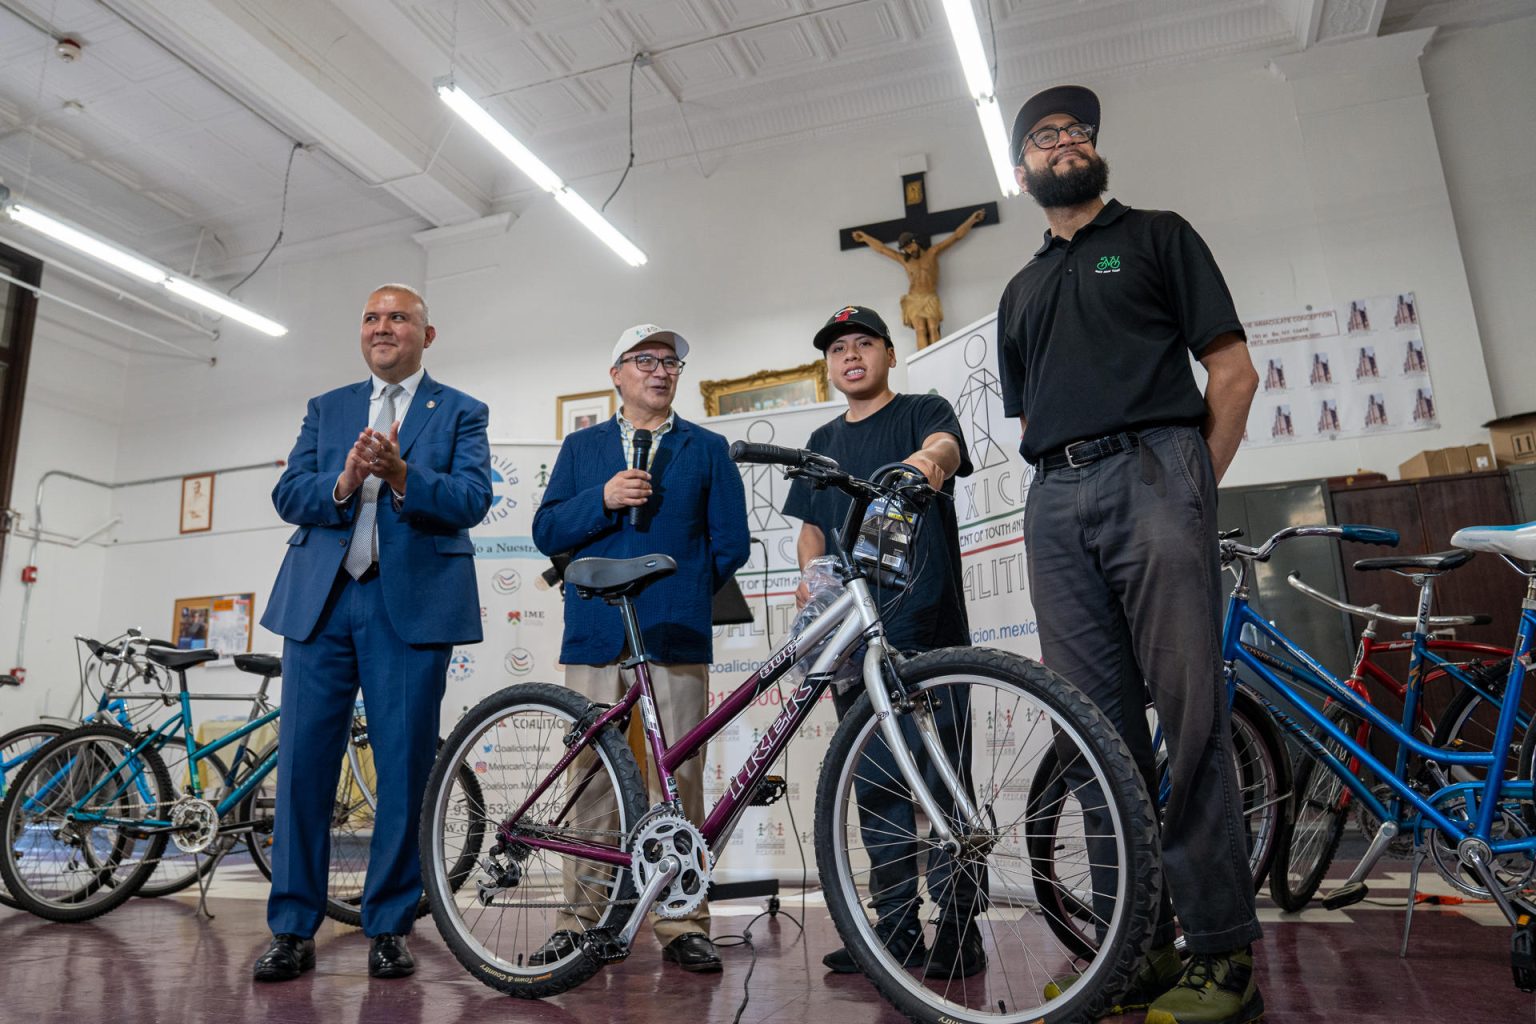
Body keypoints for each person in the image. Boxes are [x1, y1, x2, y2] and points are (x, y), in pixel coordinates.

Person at [998, 85, 1263, 1024]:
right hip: (1056, 498)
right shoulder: (1020, 289)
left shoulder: (1158, 236)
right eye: (1044, 137)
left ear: (1094, 151)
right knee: (1093, 739)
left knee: (1190, 722)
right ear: (1022, 169)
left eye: (1077, 131)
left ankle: (1225, 956)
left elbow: (1231, 371)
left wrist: (1194, 486)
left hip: (1156, 471)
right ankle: (1135, 949)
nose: (1065, 143)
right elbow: (1031, 415)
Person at [255, 284, 492, 982]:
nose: (383, 326)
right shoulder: (326, 408)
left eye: (399, 317)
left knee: (405, 769)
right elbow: (289, 494)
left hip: (409, 606)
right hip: (320, 605)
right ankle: (292, 926)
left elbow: (472, 500)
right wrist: (346, 477)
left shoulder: (460, 411)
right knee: (301, 766)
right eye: (371, 317)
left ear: (428, 334)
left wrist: (399, 475)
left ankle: (389, 922)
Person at [530, 323, 749, 973]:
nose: (661, 370)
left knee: (678, 779)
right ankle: (582, 920)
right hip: (597, 630)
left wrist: (677, 593)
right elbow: (548, 530)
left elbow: (729, 542)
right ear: (616, 374)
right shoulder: (582, 448)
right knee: (592, 775)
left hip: (676, 632)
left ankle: (681, 921)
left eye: (671, 361)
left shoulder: (707, 448)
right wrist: (601, 499)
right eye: (645, 360)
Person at [782, 305, 983, 978]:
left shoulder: (923, 410)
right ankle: (895, 932)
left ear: (889, 355)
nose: (851, 356)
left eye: (864, 343)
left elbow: (946, 450)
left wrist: (926, 462)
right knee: (875, 783)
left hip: (930, 629)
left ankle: (961, 929)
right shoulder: (821, 438)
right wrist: (809, 573)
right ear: (829, 366)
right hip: (854, 640)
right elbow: (811, 524)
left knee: (947, 781)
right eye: (838, 348)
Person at [850, 209, 985, 348]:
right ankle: (923, 363)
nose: (909, 250)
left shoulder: (932, 253)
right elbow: (882, 249)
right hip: (914, 299)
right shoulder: (905, 260)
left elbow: (956, 236)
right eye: (906, 249)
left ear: (916, 242)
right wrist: (865, 238)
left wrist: (972, 220)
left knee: (933, 327)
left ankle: (938, 357)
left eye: (910, 246)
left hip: (929, 296)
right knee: (920, 330)